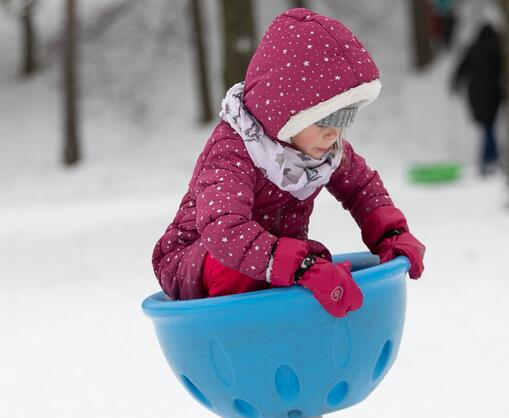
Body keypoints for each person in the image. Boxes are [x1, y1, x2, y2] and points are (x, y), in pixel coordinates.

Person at [152, 8, 425, 318]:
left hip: (271, 262)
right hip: (196, 263)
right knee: (254, 266)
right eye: (324, 120)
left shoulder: (324, 148)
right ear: (287, 113)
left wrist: (391, 234)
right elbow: (224, 230)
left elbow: (362, 188)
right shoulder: (234, 150)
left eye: (345, 117)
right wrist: (302, 265)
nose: (334, 133)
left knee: (310, 266)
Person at [451, 24, 504, 177]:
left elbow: (461, 68)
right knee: (489, 126)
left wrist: (454, 84)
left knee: (487, 127)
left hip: (474, 93)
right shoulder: (497, 46)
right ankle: (490, 161)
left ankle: (489, 160)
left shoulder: (473, 47)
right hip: (493, 92)